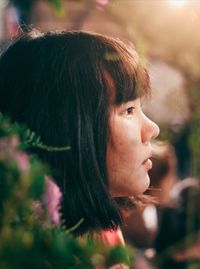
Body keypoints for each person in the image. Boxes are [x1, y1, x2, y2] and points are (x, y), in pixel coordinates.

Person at [0, 30, 159, 241]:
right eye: (128, 110)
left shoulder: (104, 234)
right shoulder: (25, 251)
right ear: (68, 128)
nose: (152, 129)